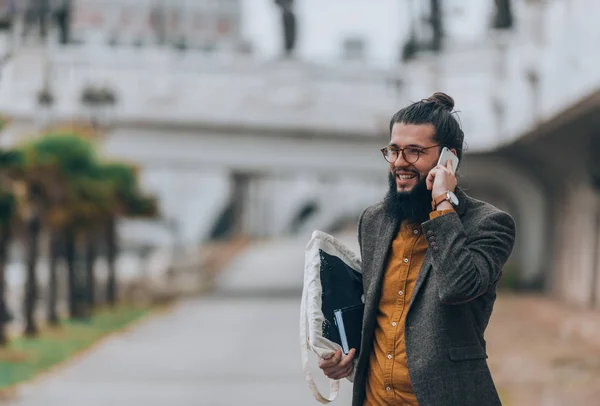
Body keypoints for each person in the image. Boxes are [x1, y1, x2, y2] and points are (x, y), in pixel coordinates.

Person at [318, 92, 516, 406]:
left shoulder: (489, 224)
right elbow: (375, 312)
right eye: (394, 150)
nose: (399, 163)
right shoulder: (374, 220)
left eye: (414, 152)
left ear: (447, 159)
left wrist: (441, 205)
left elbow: (457, 285)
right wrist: (346, 355)